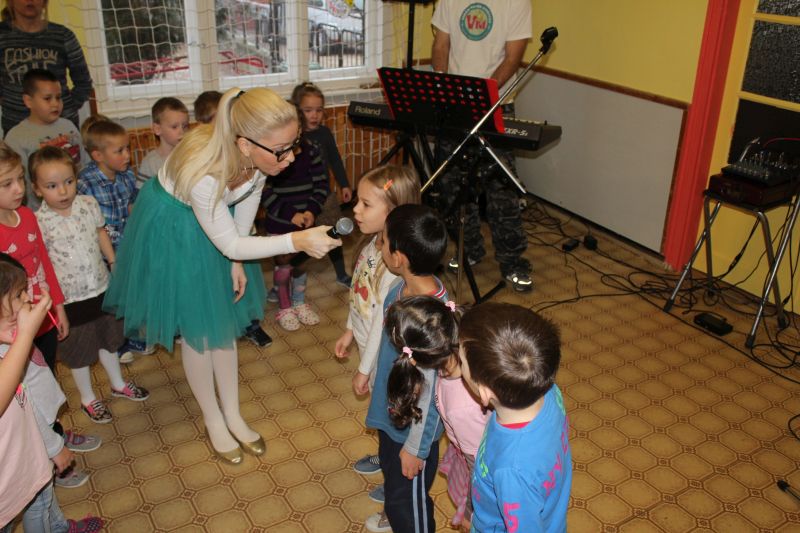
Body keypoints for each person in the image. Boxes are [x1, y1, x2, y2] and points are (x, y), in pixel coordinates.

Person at [103, 87, 341, 464]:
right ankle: (213, 418)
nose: (291, 157)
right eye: (282, 150)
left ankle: (232, 413)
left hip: (218, 224)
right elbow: (230, 242)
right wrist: (296, 240)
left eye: (293, 145)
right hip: (175, 228)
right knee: (199, 329)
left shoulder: (258, 160)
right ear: (244, 144)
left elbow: (243, 213)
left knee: (222, 323)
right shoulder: (206, 173)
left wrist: (235, 263)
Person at [32, 146, 149, 424]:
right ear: (37, 189)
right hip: (69, 299)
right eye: (52, 186)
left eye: (68, 181)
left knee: (109, 340)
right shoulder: (39, 221)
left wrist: (113, 261)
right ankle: (87, 398)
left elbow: (100, 232)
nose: (63, 191)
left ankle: (118, 383)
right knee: (80, 351)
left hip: (101, 288)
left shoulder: (88, 204)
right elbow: (41, 263)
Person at [429, 0, 534, 292]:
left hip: (496, 103)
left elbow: (513, 58)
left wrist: (481, 94)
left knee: (501, 187)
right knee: (451, 183)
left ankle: (513, 262)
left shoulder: (516, 2)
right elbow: (441, 46)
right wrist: (443, 86)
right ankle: (470, 249)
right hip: (454, 103)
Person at [0, 258, 103, 533]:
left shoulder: (7, 351)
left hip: (26, 460)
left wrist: (51, 446)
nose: (27, 300)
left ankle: (58, 527)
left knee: (42, 501)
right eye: (18, 295)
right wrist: (54, 447)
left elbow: (26, 405)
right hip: (8, 478)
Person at [363, 204, 449, 533]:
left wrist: (415, 448)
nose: (378, 245)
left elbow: (431, 397)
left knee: (410, 503)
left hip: (412, 432)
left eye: (383, 241)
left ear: (398, 258)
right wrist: (371, 373)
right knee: (395, 484)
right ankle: (394, 513)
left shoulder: (430, 322)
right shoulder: (399, 289)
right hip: (392, 416)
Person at [333, 165, 420, 485]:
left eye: (366, 204)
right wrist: (349, 329)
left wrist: (364, 370)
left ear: (393, 213)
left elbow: (381, 329)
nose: (355, 209)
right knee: (382, 413)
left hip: (382, 357)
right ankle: (387, 459)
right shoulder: (372, 244)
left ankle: (397, 479)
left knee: (392, 416)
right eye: (357, 201)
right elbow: (360, 295)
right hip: (367, 348)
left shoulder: (393, 268)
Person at [458, 303, 572, 532]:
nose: (459, 366)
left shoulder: (511, 470)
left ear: (485, 393)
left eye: (461, 362)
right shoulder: (549, 392)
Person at [0, 141, 68, 373]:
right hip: (13, 326)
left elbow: (45, 263)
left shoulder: (28, 215)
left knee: (48, 372)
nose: (19, 189)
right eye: (7, 184)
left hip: (44, 316)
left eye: (20, 179)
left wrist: (58, 307)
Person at [291, 82, 353, 287]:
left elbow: (335, 159)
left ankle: (341, 274)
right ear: (297, 110)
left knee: (334, 232)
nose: (314, 115)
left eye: (319, 110)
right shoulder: (293, 136)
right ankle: (290, 268)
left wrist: (344, 184)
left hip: (325, 195)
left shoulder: (324, 133)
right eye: (308, 110)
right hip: (302, 199)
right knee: (302, 239)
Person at [0, 0, 93, 135]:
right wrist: (12, 105)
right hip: (17, 127)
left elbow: (83, 82)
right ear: (11, 2)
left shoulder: (63, 35)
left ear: (44, 2)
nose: (30, 0)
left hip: (61, 129)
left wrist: (67, 107)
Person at [434, 314, 489, 531]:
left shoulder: (463, 409)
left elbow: (478, 468)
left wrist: (469, 512)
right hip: (464, 448)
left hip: (474, 467)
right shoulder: (446, 369)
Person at [4, 68, 84, 210]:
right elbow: (23, 184)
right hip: (43, 213)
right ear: (28, 101)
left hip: (79, 206)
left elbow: (84, 165)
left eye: (58, 97)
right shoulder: (16, 137)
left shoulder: (69, 126)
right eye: (47, 98)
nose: (55, 104)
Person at [136, 96, 190, 187]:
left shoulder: (190, 154)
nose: (182, 132)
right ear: (157, 129)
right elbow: (142, 192)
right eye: (174, 127)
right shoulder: (150, 162)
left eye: (185, 126)